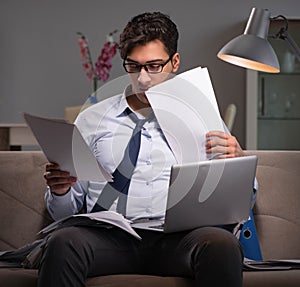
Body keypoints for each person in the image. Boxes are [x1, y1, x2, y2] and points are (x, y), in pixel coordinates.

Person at [41, 12, 246, 287]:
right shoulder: (92, 119)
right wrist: (61, 191)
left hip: (180, 239)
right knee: (63, 242)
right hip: (110, 239)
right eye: (134, 66)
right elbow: (65, 214)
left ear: (174, 62)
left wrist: (237, 162)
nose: (144, 79)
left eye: (154, 66)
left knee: (221, 244)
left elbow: (241, 204)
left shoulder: (201, 115)